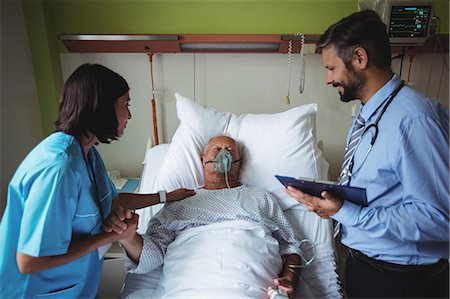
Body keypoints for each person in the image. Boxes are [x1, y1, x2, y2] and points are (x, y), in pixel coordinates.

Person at [285, 9, 449, 299]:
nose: (328, 79)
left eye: (332, 68)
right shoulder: (370, 117)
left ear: (360, 58)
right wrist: (332, 202)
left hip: (403, 283)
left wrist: (346, 212)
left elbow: (438, 218)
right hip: (365, 268)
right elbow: (379, 190)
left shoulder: (415, 120)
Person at [0, 63, 194, 299]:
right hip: (34, 291)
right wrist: (113, 236)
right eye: (126, 104)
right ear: (101, 106)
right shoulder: (58, 169)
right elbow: (30, 261)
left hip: (72, 287)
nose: (129, 114)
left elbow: (112, 200)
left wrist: (165, 196)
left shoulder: (86, 153)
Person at [107, 135, 303, 298]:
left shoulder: (261, 197)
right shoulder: (181, 201)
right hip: (190, 287)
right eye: (217, 149)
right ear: (202, 159)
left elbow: (291, 245)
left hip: (251, 285)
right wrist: (128, 237)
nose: (224, 153)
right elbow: (153, 256)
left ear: (239, 163)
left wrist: (289, 278)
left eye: (230, 150)